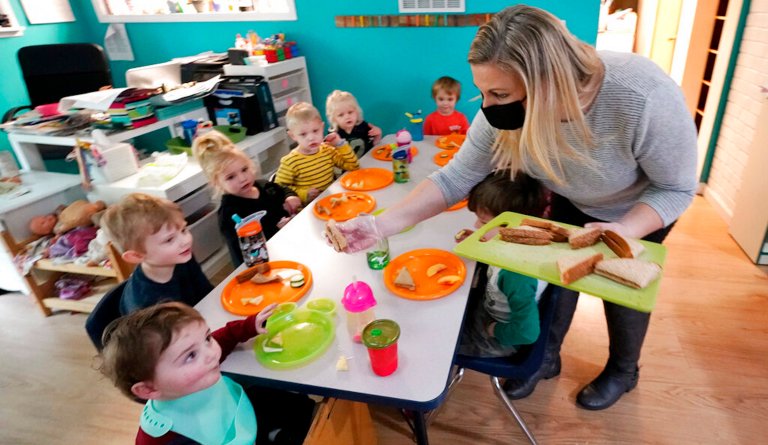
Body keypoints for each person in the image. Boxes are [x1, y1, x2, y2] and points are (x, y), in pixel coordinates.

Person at [329, 5, 697, 410]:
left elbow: (676, 188)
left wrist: (624, 230)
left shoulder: (644, 95)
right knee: (557, 281)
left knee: (622, 292)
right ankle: (548, 357)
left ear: (549, 83)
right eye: (482, 91)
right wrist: (380, 225)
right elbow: (454, 179)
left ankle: (624, 370)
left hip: (638, 208)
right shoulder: (503, 106)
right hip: (570, 201)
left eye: (499, 95)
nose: (487, 106)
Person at [98, 301, 315, 445]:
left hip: (239, 417)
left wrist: (248, 326)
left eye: (207, 338)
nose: (211, 353)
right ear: (148, 388)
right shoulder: (163, 438)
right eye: (190, 355)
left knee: (298, 404)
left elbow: (221, 338)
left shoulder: (197, 370)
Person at [458, 171, 549, 358]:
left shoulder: (517, 275)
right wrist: (479, 241)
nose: (476, 225)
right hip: (487, 309)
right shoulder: (518, 242)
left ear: (510, 229)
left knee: (442, 345)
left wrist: (494, 330)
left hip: (500, 336)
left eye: (483, 222)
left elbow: (527, 333)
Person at [193, 130, 302, 267]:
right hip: (267, 265)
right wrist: (277, 231)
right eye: (231, 177)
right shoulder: (230, 214)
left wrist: (289, 196)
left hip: (292, 248)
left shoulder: (264, 186)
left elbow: (283, 190)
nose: (242, 178)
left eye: (244, 169)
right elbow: (246, 254)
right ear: (217, 182)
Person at [101, 193, 214, 315]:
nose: (185, 240)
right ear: (137, 256)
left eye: (183, 230)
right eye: (169, 240)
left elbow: (208, 295)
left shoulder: (182, 258)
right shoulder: (146, 305)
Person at [275, 102, 360, 205]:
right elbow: (279, 188)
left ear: (322, 127)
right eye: (303, 134)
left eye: (315, 131)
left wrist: (340, 144)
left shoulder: (327, 150)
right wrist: (303, 194)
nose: (311, 137)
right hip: (307, 209)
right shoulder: (290, 161)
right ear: (292, 136)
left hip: (331, 201)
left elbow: (353, 166)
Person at [325, 90, 382, 157]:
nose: (347, 117)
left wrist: (378, 134)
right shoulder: (334, 134)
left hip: (366, 163)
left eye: (350, 112)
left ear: (357, 111)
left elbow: (374, 146)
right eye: (341, 115)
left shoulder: (362, 126)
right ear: (334, 119)